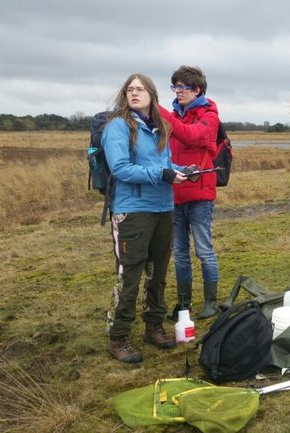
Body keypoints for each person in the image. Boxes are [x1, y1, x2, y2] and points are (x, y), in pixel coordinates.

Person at [103, 73, 190, 363]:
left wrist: (182, 169)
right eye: (130, 89)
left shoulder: (159, 127)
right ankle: (119, 336)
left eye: (140, 89)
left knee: (158, 273)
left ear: (152, 95)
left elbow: (162, 164)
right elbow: (120, 168)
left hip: (163, 208)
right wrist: (162, 174)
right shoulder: (118, 126)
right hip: (133, 211)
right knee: (130, 274)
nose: (134, 93)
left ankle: (153, 326)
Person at [158, 65, 222, 320]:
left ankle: (211, 301)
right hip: (175, 194)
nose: (178, 91)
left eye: (183, 87)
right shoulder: (173, 116)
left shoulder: (209, 115)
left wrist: (159, 111)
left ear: (197, 89)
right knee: (180, 253)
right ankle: (184, 302)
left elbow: (192, 136)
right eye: (175, 86)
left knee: (204, 250)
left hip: (199, 195)